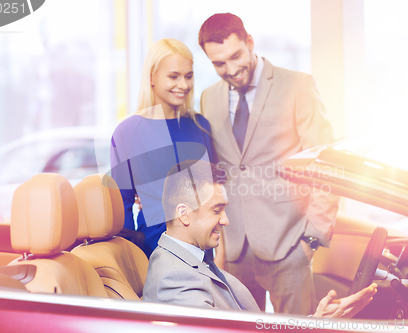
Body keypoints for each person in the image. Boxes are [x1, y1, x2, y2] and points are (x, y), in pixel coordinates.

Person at [198, 13, 339, 314]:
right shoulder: (208, 98)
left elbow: (326, 163)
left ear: (250, 42)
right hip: (234, 249)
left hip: (289, 245)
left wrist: (311, 239)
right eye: (219, 63)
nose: (231, 69)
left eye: (236, 56)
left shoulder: (297, 85)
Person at [143, 160, 377, 318]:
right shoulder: (174, 278)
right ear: (184, 214)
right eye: (216, 210)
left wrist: (316, 320)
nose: (225, 221)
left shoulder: (191, 257)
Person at [110, 39, 218, 258]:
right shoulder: (127, 132)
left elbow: (214, 191)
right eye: (173, 76)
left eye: (188, 76)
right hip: (153, 249)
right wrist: (132, 262)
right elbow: (122, 205)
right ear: (152, 77)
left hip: (202, 250)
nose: (184, 85)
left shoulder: (200, 126)